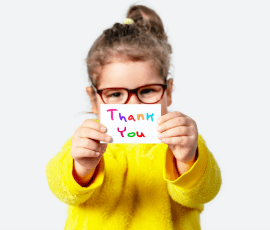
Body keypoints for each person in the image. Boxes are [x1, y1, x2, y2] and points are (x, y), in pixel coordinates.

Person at [46, 4, 222, 230]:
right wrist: (81, 167)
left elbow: (203, 193)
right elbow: (61, 189)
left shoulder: (183, 142)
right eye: (116, 94)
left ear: (168, 92)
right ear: (94, 99)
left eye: (147, 91)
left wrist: (187, 160)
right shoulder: (85, 142)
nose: (133, 104)